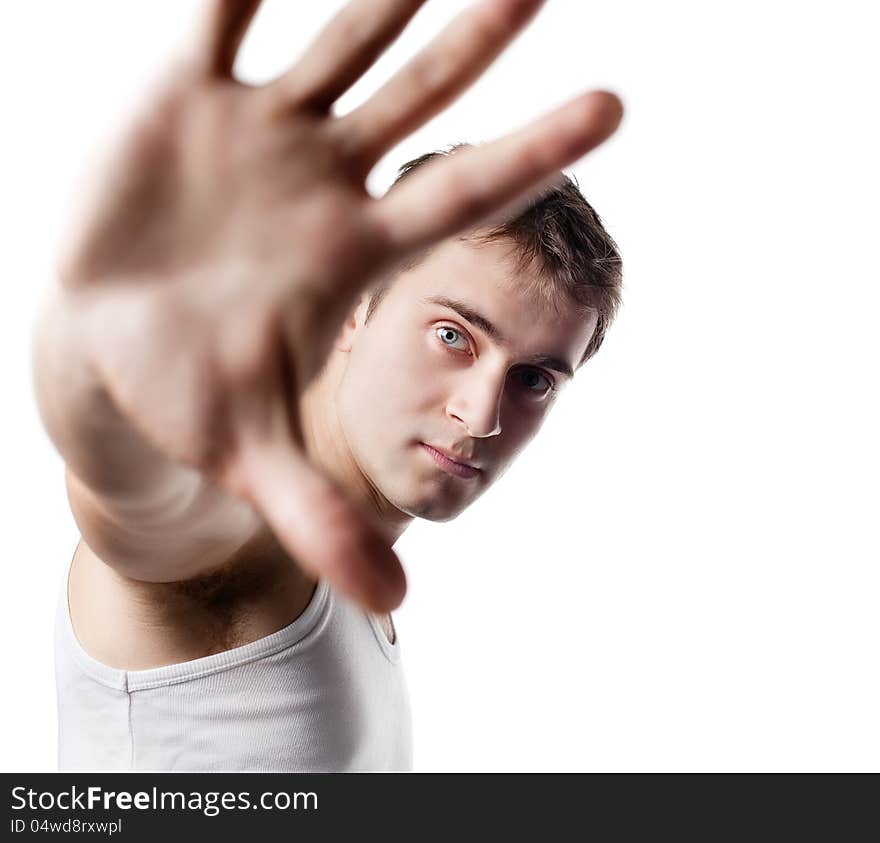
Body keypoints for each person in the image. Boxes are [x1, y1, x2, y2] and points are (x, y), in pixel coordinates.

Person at [32, 0, 623, 771]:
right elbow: (141, 499)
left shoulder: (349, 581)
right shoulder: (235, 543)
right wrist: (108, 364)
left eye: (534, 378)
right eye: (453, 336)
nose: (478, 414)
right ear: (356, 305)